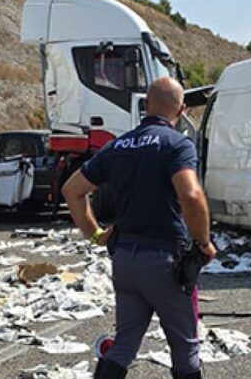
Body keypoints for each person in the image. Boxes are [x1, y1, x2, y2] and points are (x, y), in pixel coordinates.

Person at [62, 77, 217, 379]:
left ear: (146, 105)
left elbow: (72, 190)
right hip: (164, 260)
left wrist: (95, 233)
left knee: (124, 345)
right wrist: (203, 241)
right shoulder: (177, 144)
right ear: (182, 109)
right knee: (185, 347)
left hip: (125, 259)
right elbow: (191, 195)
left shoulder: (117, 145)